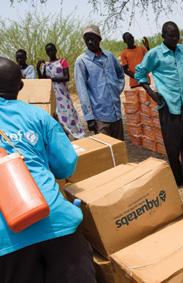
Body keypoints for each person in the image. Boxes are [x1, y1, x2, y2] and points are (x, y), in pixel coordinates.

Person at [0, 57, 96, 283]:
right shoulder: (38, 116)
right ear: (22, 85)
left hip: (6, 241)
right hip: (56, 222)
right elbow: (65, 165)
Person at [135, 21, 183, 194]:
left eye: (176, 35)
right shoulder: (154, 54)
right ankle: (177, 178)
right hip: (169, 106)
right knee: (173, 147)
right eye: (171, 36)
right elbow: (139, 73)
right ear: (163, 36)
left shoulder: (182, 50)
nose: (174, 39)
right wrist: (152, 93)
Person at [75, 25, 125, 140]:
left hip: (116, 112)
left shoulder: (109, 56)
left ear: (99, 39)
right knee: (105, 153)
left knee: (119, 149)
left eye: (92, 38)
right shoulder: (82, 61)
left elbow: (120, 74)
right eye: (87, 39)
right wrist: (89, 117)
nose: (90, 42)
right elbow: (82, 91)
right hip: (99, 117)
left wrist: (117, 89)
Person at [37, 43, 85, 139]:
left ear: (55, 50)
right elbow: (43, 80)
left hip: (62, 94)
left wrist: (52, 79)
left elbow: (66, 77)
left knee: (68, 113)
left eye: (52, 50)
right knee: (56, 115)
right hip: (52, 94)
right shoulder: (46, 65)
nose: (50, 52)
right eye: (48, 51)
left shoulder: (62, 61)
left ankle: (76, 134)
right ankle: (64, 136)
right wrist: (38, 68)